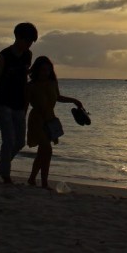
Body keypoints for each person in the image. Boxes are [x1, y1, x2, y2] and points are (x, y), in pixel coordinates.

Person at [0, 22, 38, 184]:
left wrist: (26, 103)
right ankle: (6, 176)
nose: (29, 44)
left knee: (20, 141)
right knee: (8, 139)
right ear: (18, 38)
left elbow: (24, 78)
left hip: (19, 104)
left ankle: (2, 165)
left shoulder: (28, 55)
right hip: (2, 103)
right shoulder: (3, 57)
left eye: (31, 42)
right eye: (27, 40)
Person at [26, 55, 85, 188]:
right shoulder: (31, 86)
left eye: (48, 70)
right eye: (42, 70)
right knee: (47, 149)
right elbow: (24, 105)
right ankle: (44, 182)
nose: (45, 73)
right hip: (36, 120)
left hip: (49, 119)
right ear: (36, 71)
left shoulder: (52, 82)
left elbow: (58, 97)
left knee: (43, 152)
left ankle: (32, 179)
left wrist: (74, 100)